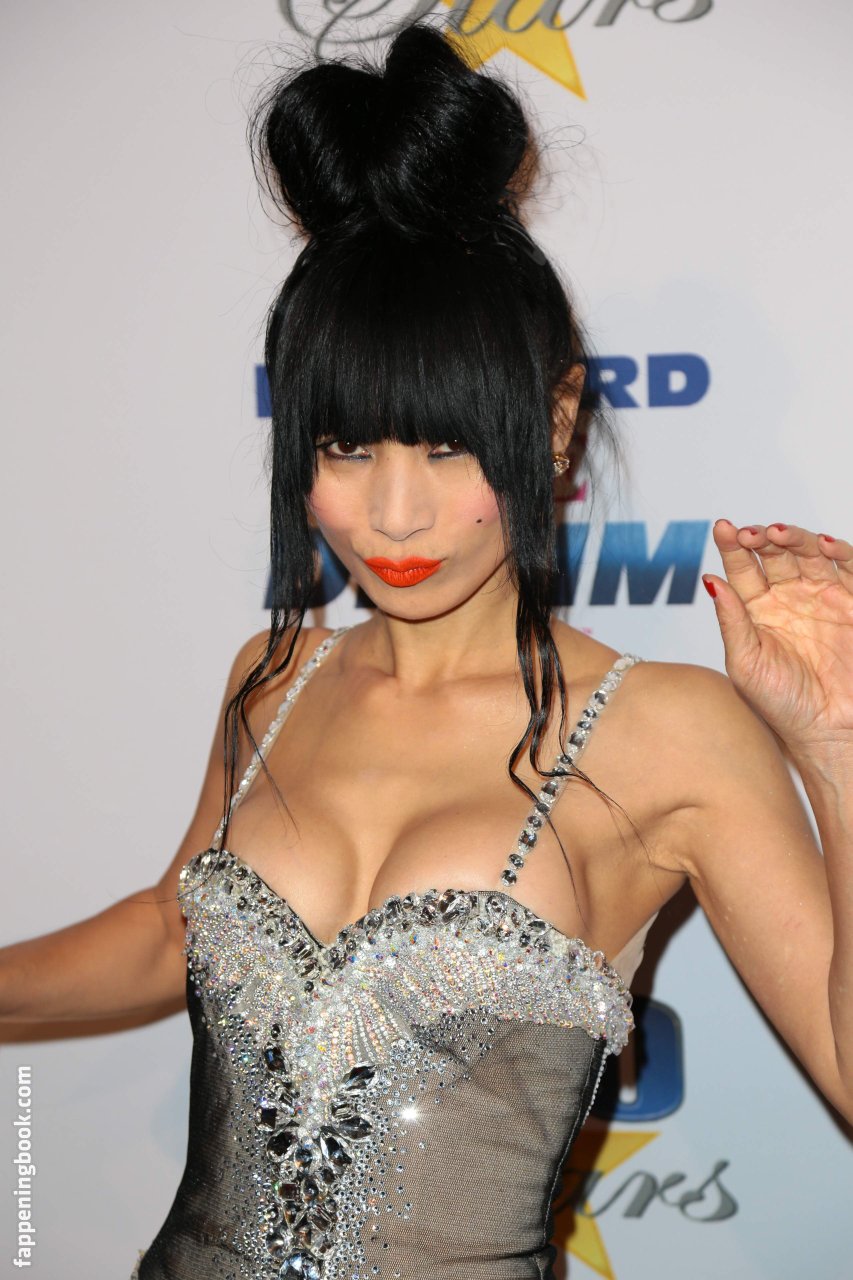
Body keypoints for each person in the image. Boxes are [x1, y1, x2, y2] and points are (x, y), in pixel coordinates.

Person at [3, 17, 852, 1280]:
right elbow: (163, 929)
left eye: (446, 447)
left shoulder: (667, 730)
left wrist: (835, 748)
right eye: (345, 447)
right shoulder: (272, 680)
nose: (392, 516)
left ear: (555, 420)